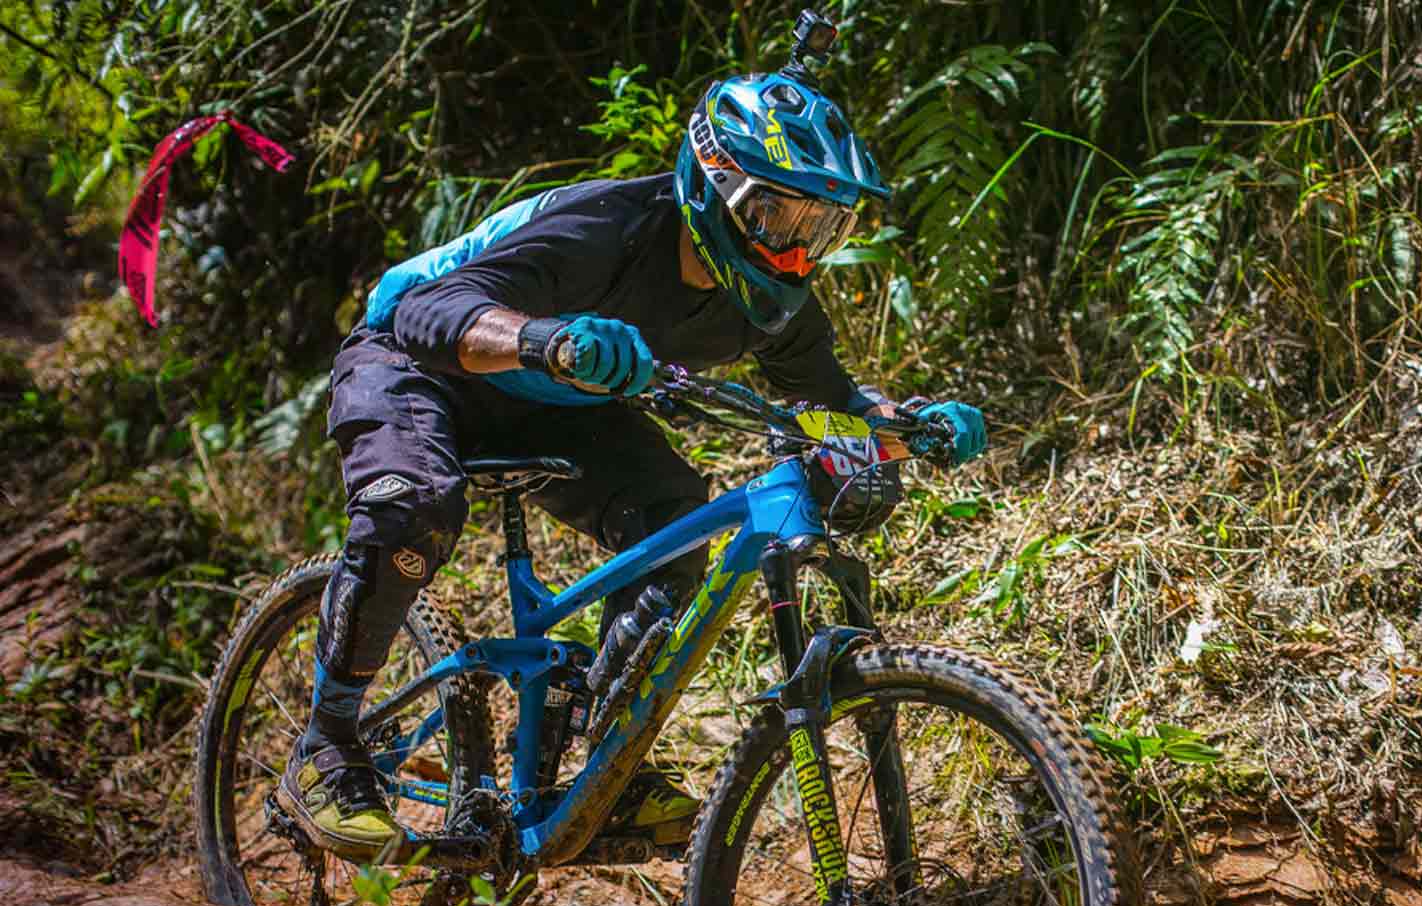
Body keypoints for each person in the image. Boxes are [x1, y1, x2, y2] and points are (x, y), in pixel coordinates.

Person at [276, 40, 987, 862]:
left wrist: (914, 424)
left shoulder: (770, 306)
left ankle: (597, 767)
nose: (795, 252)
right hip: (415, 363)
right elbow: (424, 312)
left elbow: (833, 401)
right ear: (715, 188)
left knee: (674, 528)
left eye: (819, 229)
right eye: (776, 218)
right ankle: (325, 744)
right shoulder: (608, 227)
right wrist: (547, 340)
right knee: (414, 509)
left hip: (548, 399)